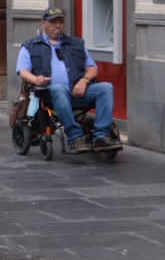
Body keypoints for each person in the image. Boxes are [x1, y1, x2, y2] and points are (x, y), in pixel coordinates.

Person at [17, 8, 120, 153]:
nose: (58, 25)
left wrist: (84, 80)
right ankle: (75, 137)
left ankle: (102, 136)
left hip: (78, 89)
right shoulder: (31, 46)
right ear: (44, 24)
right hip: (50, 95)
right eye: (53, 22)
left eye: (60, 22)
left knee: (106, 87)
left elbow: (92, 68)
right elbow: (23, 71)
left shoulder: (77, 44)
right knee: (58, 88)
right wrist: (36, 79)